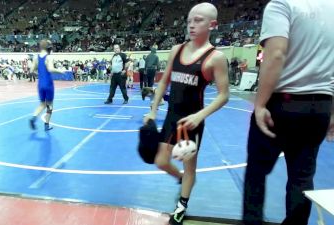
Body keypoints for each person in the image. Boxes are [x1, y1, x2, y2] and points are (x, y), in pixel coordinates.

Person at [242, 1, 334, 225]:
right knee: (302, 178)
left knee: (256, 174)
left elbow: (275, 54)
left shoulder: (282, 4)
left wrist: (261, 103)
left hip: (283, 104)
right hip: (320, 106)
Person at [143, 3, 229, 225]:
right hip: (172, 117)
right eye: (189, 20)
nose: (191, 25)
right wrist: (153, 110)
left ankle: (181, 206)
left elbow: (223, 95)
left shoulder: (215, 57)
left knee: (190, 166)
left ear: (213, 25)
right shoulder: (177, 50)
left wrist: (200, 116)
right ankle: (182, 180)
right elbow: (164, 81)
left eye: (198, 20)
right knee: (161, 161)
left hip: (191, 123)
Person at [29, 40, 67, 131]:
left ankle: (33, 118)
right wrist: (60, 71)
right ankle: (46, 125)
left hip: (40, 84)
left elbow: (31, 71)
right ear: (48, 48)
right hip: (48, 84)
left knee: (42, 104)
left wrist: (39, 75)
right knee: (50, 105)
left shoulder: (35, 57)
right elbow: (50, 69)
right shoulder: (49, 57)